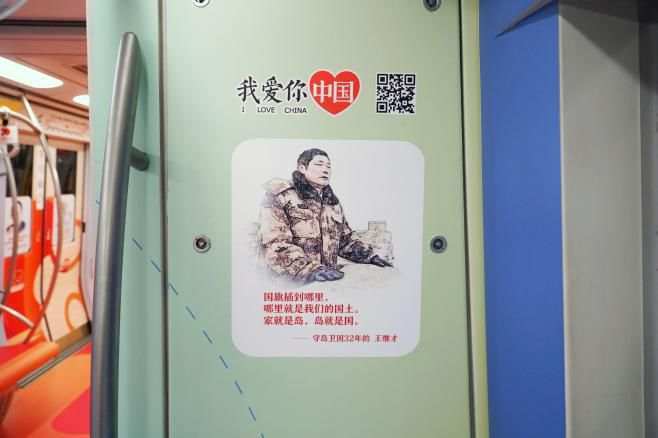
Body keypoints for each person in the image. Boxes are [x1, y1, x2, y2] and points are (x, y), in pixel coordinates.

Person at [259, 148, 392, 282]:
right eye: (319, 164)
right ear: (302, 168)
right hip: (290, 282)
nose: (325, 170)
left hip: (328, 280)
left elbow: (344, 240)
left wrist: (369, 256)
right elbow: (275, 244)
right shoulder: (281, 196)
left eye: (328, 166)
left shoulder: (332, 203)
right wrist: (310, 270)